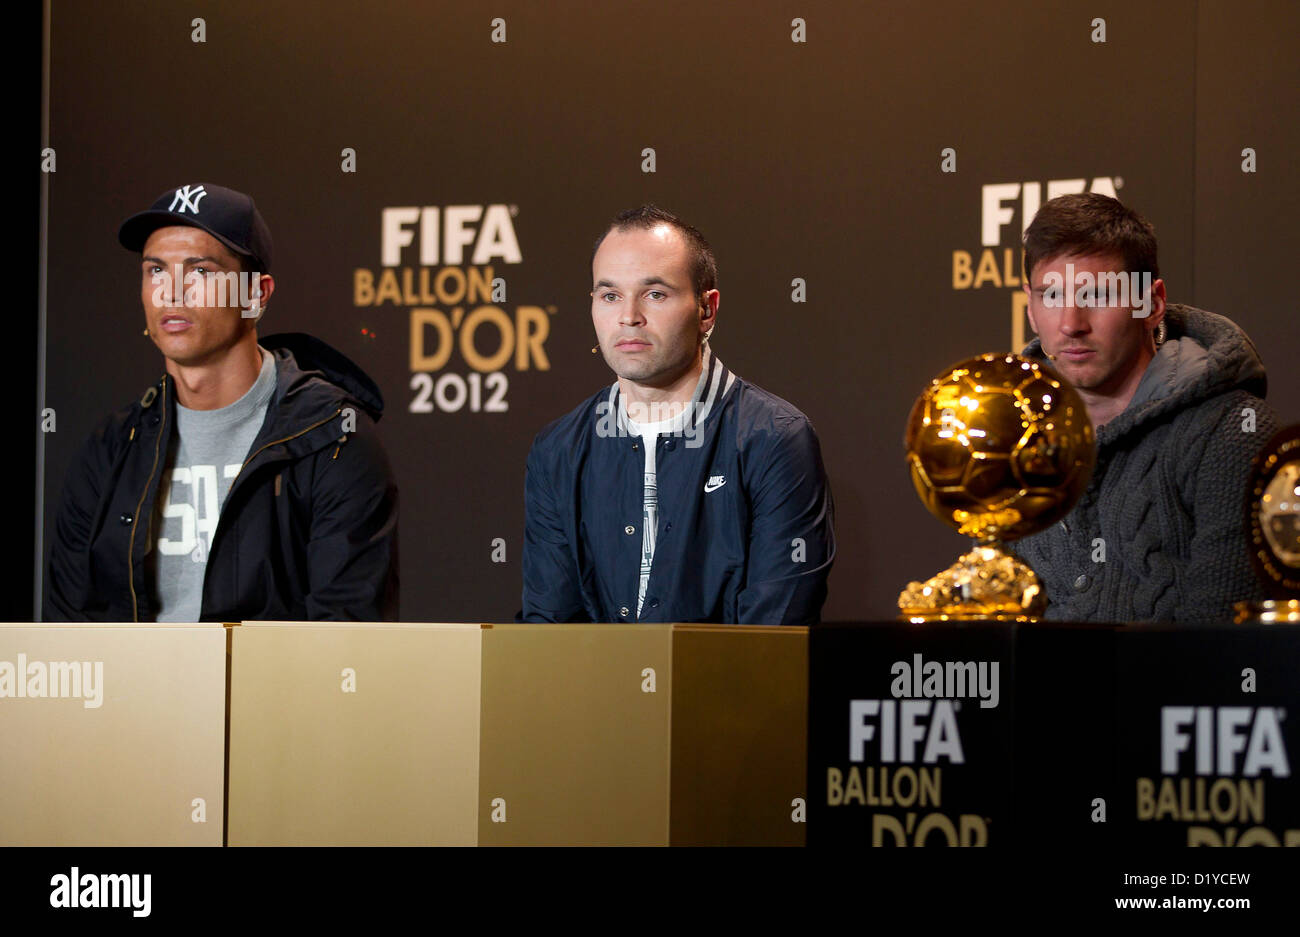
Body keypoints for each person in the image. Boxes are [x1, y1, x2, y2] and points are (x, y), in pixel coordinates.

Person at [45, 183, 399, 622]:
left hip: (276, 691)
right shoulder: (112, 448)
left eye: (201, 272)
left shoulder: (334, 438)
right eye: (156, 270)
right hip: (138, 693)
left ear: (256, 294)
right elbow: (69, 639)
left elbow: (346, 641)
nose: (171, 293)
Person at [520, 205, 834, 624]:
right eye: (610, 295)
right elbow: (549, 631)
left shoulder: (774, 438)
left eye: (655, 294)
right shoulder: (557, 449)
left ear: (707, 310)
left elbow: (773, 634)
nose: (629, 317)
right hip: (597, 691)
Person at [1014, 192, 1279, 622]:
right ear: (1030, 304)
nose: (1071, 324)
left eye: (1097, 295)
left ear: (1151, 303)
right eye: (1051, 295)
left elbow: (1222, 656)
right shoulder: (1009, 436)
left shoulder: (1233, 434)